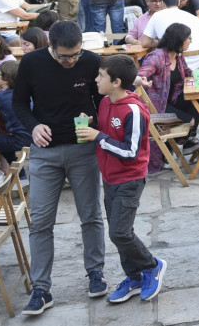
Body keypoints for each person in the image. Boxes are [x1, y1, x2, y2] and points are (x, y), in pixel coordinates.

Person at [14, 21, 106, 315]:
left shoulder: (92, 62)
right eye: (64, 56)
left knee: (90, 215)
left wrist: (93, 119)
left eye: (75, 55)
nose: (71, 62)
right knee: (40, 222)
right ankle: (41, 289)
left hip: (83, 148)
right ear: (50, 46)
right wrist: (33, 126)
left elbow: (103, 101)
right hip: (44, 153)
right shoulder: (30, 63)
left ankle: (95, 273)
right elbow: (18, 105)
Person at [74, 55, 167, 304]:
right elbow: (108, 130)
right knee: (121, 231)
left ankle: (152, 265)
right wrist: (93, 124)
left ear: (116, 82)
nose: (96, 79)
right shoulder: (105, 103)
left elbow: (130, 151)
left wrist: (97, 136)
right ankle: (135, 277)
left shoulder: (134, 111)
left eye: (100, 76)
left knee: (119, 232)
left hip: (129, 179)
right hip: (110, 178)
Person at [137, 23, 199, 153]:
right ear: (179, 39)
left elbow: (187, 72)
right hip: (157, 105)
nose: (191, 41)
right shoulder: (156, 57)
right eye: (189, 38)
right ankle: (170, 149)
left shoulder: (178, 55)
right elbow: (140, 75)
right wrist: (142, 80)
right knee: (190, 120)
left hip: (172, 99)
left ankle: (186, 142)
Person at [140, 0, 199, 70]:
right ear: (178, 2)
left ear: (162, 3)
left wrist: (163, 42)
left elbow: (144, 43)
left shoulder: (157, 16)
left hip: (176, 67)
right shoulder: (194, 18)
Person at [0, 61, 30, 189]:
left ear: (6, 80)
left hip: (19, 139)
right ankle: (22, 178)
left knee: (1, 139)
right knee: (2, 141)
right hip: (29, 136)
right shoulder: (18, 91)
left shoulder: (2, 96)